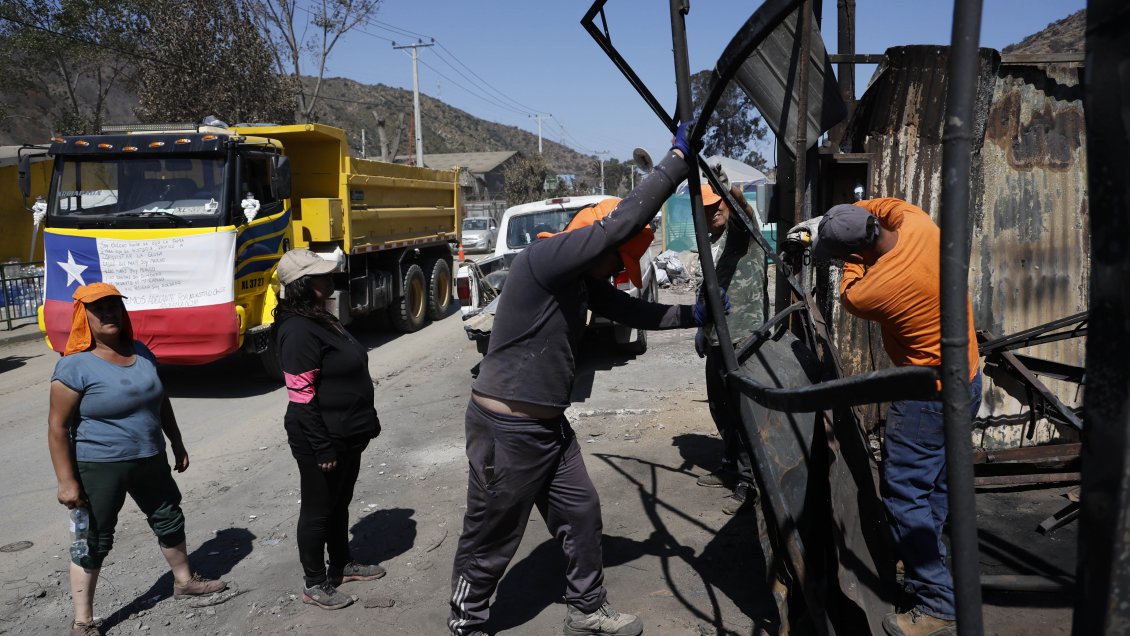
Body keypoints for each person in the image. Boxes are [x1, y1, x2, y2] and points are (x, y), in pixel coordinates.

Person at [448, 127, 715, 636]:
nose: (618, 269)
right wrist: (677, 160)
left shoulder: (579, 282)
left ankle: (587, 611)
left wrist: (693, 316)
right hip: (507, 433)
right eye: (617, 259)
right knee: (491, 536)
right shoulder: (545, 260)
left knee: (581, 511)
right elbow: (622, 226)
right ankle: (466, 623)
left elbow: (633, 309)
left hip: (548, 430)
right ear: (593, 240)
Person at [809, 198, 982, 636]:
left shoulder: (869, 292)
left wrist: (842, 256)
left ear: (855, 254)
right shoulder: (918, 223)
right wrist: (836, 218)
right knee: (936, 489)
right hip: (970, 379)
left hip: (926, 395)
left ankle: (937, 603)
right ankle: (934, 571)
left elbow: (850, 289)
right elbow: (881, 205)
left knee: (904, 493)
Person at [47, 282, 227, 636]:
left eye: (115, 306)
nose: (110, 314)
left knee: (168, 517)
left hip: (150, 457)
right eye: (100, 310)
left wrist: (176, 441)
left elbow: (161, 400)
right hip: (100, 466)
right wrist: (66, 481)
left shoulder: (142, 352)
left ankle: (183, 581)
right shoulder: (73, 367)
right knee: (94, 537)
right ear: (85, 318)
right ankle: (83, 622)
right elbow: (57, 428)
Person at [274, 249, 385, 610]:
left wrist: (367, 418)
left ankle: (341, 564)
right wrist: (322, 448)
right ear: (305, 285)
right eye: (322, 275)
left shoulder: (322, 317)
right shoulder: (297, 329)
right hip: (321, 438)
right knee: (318, 510)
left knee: (340, 503)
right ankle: (314, 582)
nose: (330, 278)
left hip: (348, 432)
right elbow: (301, 396)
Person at [693, 180, 768, 515]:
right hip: (717, 339)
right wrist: (702, 328)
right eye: (706, 209)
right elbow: (710, 289)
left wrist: (730, 191)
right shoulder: (711, 242)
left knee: (743, 413)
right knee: (720, 407)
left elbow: (743, 212)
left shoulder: (743, 235)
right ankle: (730, 465)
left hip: (743, 339)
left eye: (716, 205)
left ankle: (751, 483)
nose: (712, 213)